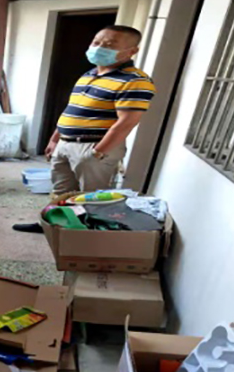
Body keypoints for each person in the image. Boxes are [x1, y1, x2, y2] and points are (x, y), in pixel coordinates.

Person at [14, 25, 156, 233]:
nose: (99, 48)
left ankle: (89, 237)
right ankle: (54, 227)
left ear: (132, 51)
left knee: (93, 197)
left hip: (93, 146)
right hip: (65, 144)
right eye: (96, 42)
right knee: (61, 190)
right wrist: (55, 139)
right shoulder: (88, 75)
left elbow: (127, 122)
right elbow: (72, 111)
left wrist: (98, 152)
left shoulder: (135, 81)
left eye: (110, 44)